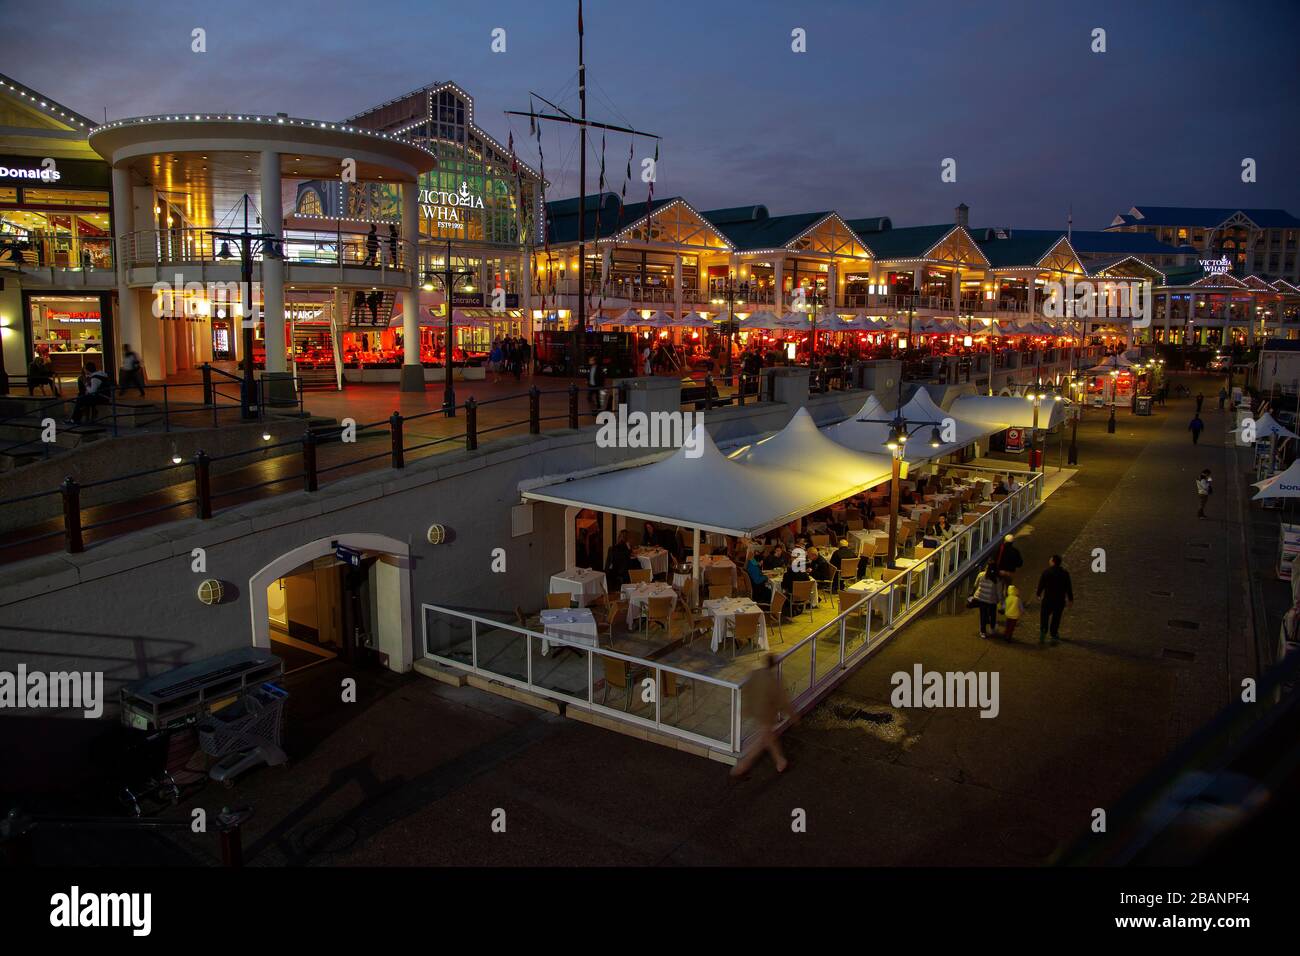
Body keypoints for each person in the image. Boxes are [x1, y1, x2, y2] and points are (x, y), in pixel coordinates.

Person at [730, 654, 796, 777]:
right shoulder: (774, 681)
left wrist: (747, 708)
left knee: (768, 737)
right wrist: (793, 717)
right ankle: (742, 766)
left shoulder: (755, 674)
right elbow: (783, 700)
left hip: (757, 712)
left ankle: (780, 761)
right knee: (762, 740)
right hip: (766, 714)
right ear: (774, 665)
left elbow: (747, 689)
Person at [1036, 554, 1074, 643]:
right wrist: (1070, 598)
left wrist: (1038, 594)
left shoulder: (1046, 572)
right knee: (1056, 617)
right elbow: (1068, 587)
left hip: (1048, 598)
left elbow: (1041, 584)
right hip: (1059, 599)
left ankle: (1043, 631)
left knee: (1044, 616)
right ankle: (1054, 634)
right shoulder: (1065, 573)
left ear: (1053, 561)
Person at [972, 560, 999, 639]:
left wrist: (973, 594)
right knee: (993, 613)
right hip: (992, 599)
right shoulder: (997, 579)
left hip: (981, 597)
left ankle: (983, 631)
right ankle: (992, 628)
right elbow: (999, 592)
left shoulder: (981, 575)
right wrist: (1001, 601)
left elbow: (975, 585)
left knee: (983, 614)